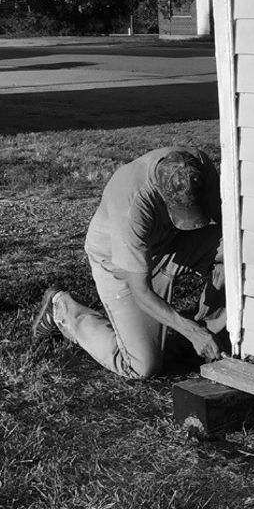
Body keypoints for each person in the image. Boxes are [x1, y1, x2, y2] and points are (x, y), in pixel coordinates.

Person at [31, 146, 226, 379]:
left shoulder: (200, 167)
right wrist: (190, 331)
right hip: (118, 263)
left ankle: (211, 332)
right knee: (142, 365)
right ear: (161, 195)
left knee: (232, 250)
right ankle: (63, 309)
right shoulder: (132, 205)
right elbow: (141, 290)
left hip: (169, 243)